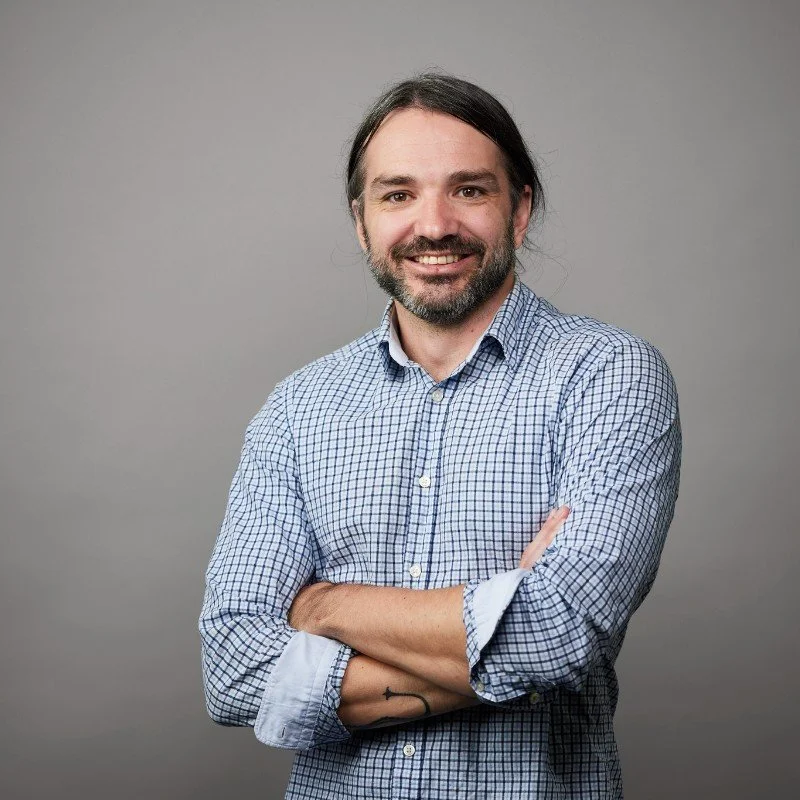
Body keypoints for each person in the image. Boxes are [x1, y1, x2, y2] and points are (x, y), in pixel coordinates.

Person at [199, 73, 682, 799]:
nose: (433, 225)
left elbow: (560, 635)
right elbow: (233, 669)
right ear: (361, 221)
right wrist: (502, 624)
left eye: (469, 190)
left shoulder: (609, 377)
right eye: (398, 194)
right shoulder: (297, 408)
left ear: (519, 211)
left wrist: (325, 607)